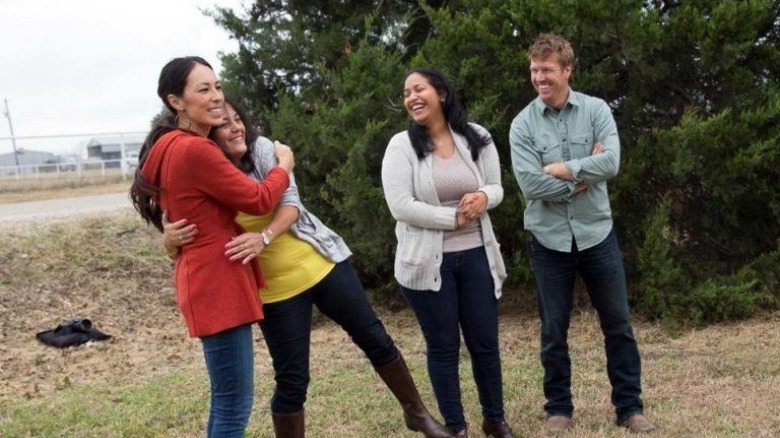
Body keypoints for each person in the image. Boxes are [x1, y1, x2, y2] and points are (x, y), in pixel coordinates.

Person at [163, 97, 453, 438]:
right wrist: (169, 241)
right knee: (292, 379)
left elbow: (291, 204)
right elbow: (189, 237)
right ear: (209, 134)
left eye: (238, 119)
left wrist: (264, 236)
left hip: (322, 263)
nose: (236, 127)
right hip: (275, 291)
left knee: (376, 338)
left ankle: (417, 414)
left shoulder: (264, 150)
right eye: (225, 123)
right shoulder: (205, 172)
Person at [129, 57, 294, 438]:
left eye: (217, 86)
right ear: (177, 102)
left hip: (205, 278)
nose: (217, 96)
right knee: (234, 404)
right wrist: (283, 164)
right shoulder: (193, 149)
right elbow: (257, 199)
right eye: (203, 89)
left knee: (227, 400)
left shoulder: (170, 146)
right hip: (217, 283)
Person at [508, 33, 656, 434]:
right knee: (553, 331)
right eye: (535, 69)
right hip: (548, 240)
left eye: (548, 70)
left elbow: (611, 162)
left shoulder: (596, 110)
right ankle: (559, 408)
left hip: (596, 235)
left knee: (619, 325)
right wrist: (581, 176)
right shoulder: (522, 124)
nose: (540, 77)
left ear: (567, 69)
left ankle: (630, 408)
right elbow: (530, 186)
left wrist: (558, 168)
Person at [381, 68, 516, 438]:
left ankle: (495, 420)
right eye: (406, 92)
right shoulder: (401, 146)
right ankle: (456, 428)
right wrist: (452, 217)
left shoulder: (478, 137)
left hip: (477, 256)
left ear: (440, 93)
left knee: (485, 343)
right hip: (426, 263)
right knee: (443, 347)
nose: (411, 97)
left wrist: (484, 198)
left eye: (418, 88)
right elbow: (400, 206)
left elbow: (496, 186)